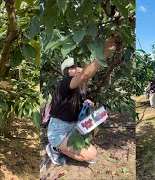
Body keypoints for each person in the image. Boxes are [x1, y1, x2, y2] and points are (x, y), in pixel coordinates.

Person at [46, 36, 117, 165]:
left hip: (73, 127)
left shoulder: (81, 90)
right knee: (91, 154)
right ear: (65, 72)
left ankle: (74, 146)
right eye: (73, 67)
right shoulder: (64, 83)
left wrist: (90, 105)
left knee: (99, 117)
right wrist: (105, 51)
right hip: (59, 132)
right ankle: (55, 147)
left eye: (79, 66)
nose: (78, 69)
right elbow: (84, 75)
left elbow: (86, 106)